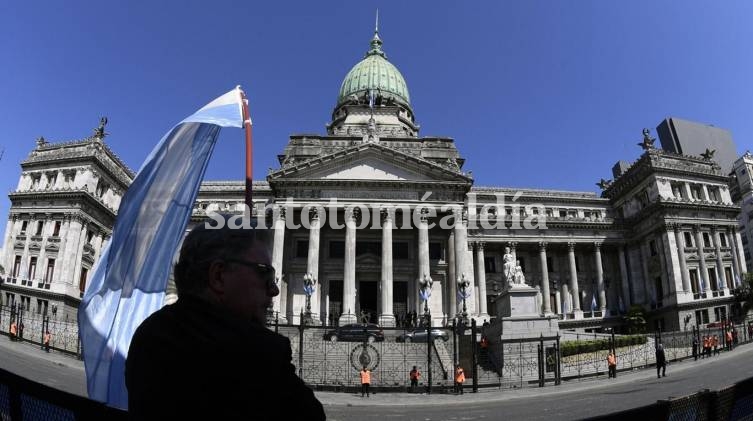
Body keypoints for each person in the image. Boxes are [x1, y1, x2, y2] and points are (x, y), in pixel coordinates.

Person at [125, 216, 325, 421]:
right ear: (219, 276)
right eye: (264, 273)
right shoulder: (256, 353)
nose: (274, 289)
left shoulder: (149, 335)